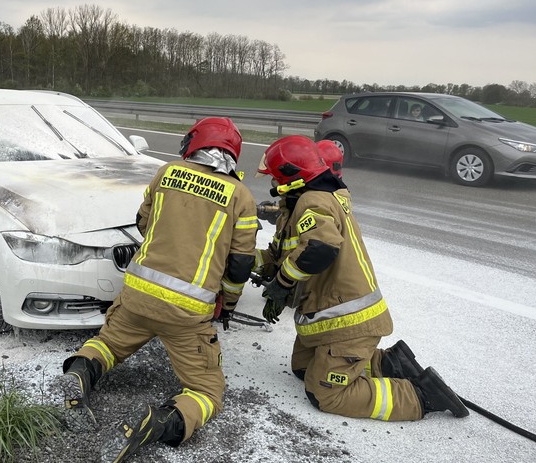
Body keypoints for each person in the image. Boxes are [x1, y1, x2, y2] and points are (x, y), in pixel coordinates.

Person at [59, 117, 259, 462]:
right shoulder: (241, 196)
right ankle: (158, 423)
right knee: (208, 391)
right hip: (186, 314)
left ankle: (78, 374)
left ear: (194, 144)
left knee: (107, 344)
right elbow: (240, 264)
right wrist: (227, 303)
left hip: (137, 296)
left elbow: (144, 221)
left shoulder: (166, 172)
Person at [253, 135, 469, 422]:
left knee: (325, 393)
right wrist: (243, 260)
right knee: (303, 368)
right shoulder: (300, 205)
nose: (272, 184)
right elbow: (282, 255)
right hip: (327, 319)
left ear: (291, 177)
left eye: (276, 178)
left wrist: (282, 284)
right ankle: (390, 363)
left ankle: (422, 396)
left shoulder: (313, 201)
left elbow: (320, 247)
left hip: (349, 322)